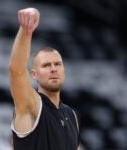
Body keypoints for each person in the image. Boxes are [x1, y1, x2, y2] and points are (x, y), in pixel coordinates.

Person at [9, 7, 80, 150]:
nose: (53, 69)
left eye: (58, 64)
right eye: (46, 65)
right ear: (34, 74)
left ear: (63, 71)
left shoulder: (71, 115)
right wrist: (26, 30)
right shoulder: (31, 105)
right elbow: (16, 71)